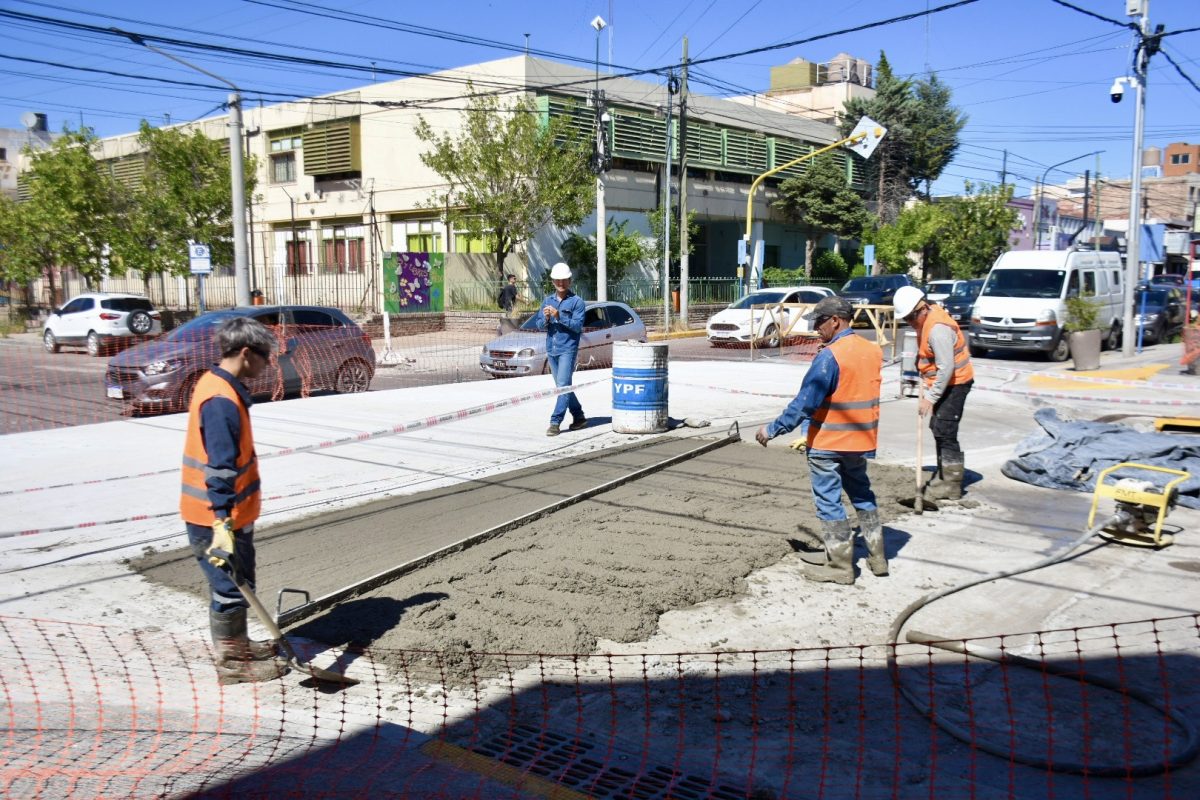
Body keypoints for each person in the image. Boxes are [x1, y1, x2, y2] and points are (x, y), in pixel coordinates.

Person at [180, 316, 289, 685]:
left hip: (232, 514)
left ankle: (238, 645)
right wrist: (222, 523)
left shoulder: (218, 386)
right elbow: (220, 468)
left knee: (241, 582)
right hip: (216, 516)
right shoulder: (221, 400)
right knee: (228, 588)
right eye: (264, 357)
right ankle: (232, 665)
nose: (266, 364)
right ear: (245, 353)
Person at [755, 296, 886, 585]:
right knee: (863, 495)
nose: (816, 328)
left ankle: (839, 566)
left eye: (819, 322)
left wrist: (772, 429)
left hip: (829, 442)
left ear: (835, 321)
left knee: (829, 502)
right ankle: (878, 558)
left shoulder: (830, 357)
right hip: (860, 440)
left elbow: (805, 403)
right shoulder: (871, 350)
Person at [893, 285, 974, 501]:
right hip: (945, 383)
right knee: (938, 427)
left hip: (956, 383)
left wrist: (930, 398)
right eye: (906, 320)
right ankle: (943, 475)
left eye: (910, 318)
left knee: (945, 429)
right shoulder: (925, 321)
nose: (909, 323)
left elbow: (946, 368)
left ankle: (951, 484)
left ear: (921, 309)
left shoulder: (937, 329)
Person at [536, 261, 587, 437]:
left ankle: (555, 422)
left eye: (564, 280)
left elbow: (577, 326)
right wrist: (546, 318)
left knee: (563, 386)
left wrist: (559, 316)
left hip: (568, 349)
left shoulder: (577, 302)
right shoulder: (547, 301)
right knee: (562, 387)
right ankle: (579, 416)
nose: (561, 283)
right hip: (552, 349)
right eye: (558, 280)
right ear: (553, 282)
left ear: (570, 281)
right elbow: (539, 324)